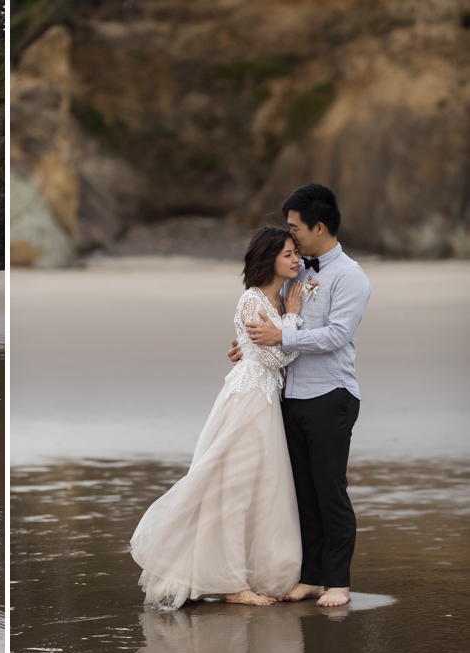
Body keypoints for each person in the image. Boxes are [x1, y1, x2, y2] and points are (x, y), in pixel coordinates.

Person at [130, 226, 307, 610]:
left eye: (296, 252)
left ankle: (248, 573)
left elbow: (274, 353)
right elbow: (276, 358)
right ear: (269, 259)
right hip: (246, 402)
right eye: (289, 254)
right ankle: (230, 583)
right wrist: (291, 322)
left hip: (265, 402)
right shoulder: (252, 301)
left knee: (261, 487)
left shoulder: (273, 305)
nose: (297, 260)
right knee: (233, 487)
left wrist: (280, 329)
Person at [232, 183, 371, 607]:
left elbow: (335, 335)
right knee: (303, 494)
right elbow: (275, 317)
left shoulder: (350, 277)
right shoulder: (302, 268)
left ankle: (338, 582)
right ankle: (310, 576)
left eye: (295, 227)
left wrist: (281, 336)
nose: (290, 235)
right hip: (291, 396)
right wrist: (253, 345)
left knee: (330, 490)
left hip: (331, 395)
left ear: (319, 226)